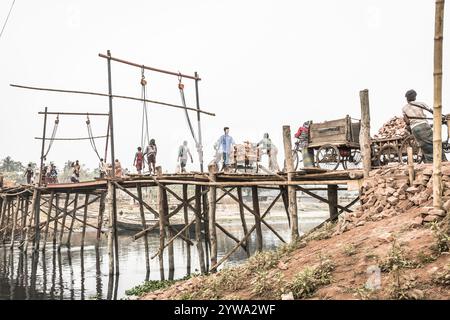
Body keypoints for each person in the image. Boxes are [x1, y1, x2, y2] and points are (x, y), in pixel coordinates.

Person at [402, 89, 446, 163]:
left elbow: (407, 122)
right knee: (435, 143)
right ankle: (443, 160)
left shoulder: (404, 108)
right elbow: (433, 111)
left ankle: (430, 163)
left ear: (406, 98)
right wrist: (441, 117)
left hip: (414, 129)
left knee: (424, 147)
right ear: (415, 97)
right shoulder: (420, 104)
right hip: (423, 125)